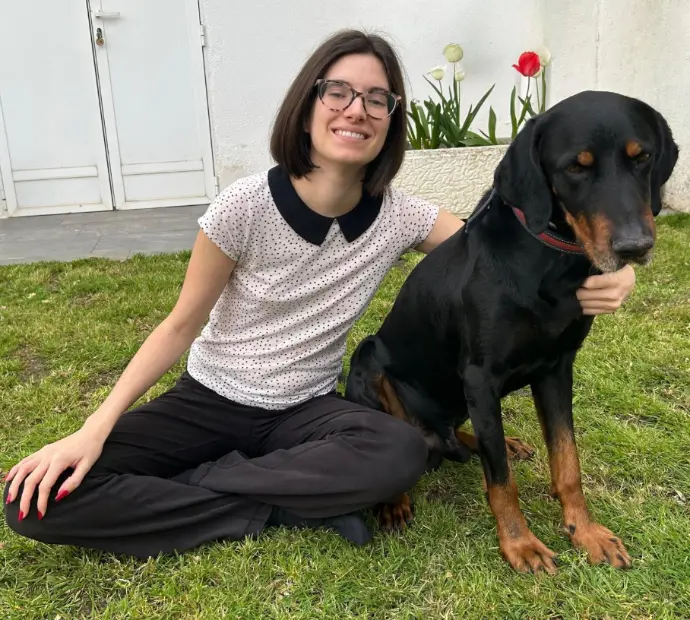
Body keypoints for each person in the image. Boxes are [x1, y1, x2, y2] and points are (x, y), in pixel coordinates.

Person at [3, 30, 635, 559]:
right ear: (307, 105)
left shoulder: (400, 216)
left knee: (399, 454)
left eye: (377, 99)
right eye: (338, 91)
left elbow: (495, 245)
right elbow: (177, 327)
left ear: (390, 121)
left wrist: (608, 267)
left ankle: (211, 487)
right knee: (35, 503)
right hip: (211, 400)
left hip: (307, 412)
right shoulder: (242, 208)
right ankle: (273, 506)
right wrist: (92, 429)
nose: (356, 109)